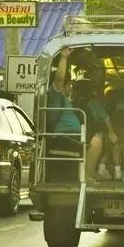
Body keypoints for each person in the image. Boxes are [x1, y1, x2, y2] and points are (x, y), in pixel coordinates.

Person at [48, 48, 103, 181]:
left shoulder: (68, 99)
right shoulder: (56, 94)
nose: (71, 87)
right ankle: (86, 176)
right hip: (63, 137)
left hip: (71, 136)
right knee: (96, 142)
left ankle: (89, 173)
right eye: (70, 84)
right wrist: (64, 57)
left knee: (97, 137)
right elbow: (60, 78)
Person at [72, 78, 122, 180]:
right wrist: (111, 133)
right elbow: (106, 119)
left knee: (106, 138)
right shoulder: (93, 104)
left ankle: (102, 169)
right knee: (105, 139)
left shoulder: (72, 103)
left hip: (75, 136)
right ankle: (109, 170)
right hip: (89, 136)